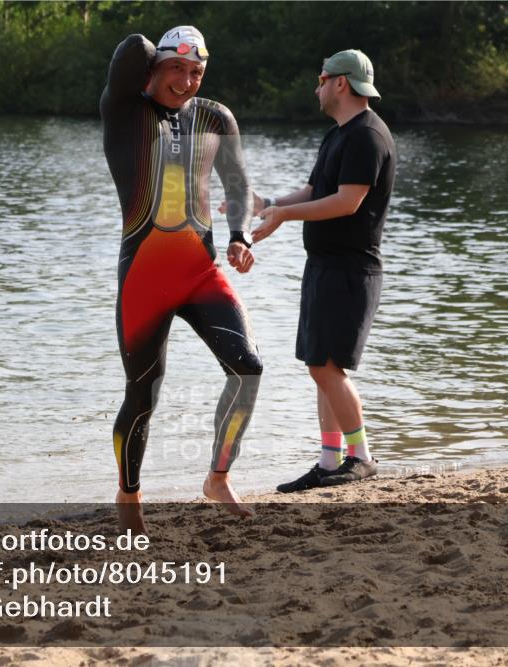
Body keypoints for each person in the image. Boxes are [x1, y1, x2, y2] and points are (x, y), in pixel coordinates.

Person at [101, 26, 262, 531]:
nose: (187, 81)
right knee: (143, 393)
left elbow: (236, 182)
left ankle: (217, 476)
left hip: (199, 272)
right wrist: (153, 54)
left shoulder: (216, 117)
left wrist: (241, 236)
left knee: (248, 368)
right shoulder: (125, 111)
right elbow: (129, 53)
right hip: (145, 276)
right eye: (177, 69)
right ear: (154, 70)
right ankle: (130, 493)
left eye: (197, 72)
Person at [250, 49, 396, 492]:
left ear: (340, 83)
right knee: (321, 365)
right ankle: (330, 460)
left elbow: (347, 201)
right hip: (325, 267)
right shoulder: (339, 134)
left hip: (351, 269)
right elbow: (316, 190)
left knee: (328, 369)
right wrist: (267, 205)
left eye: (321, 78)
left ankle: (361, 457)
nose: (316, 87)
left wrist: (283, 219)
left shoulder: (368, 135)